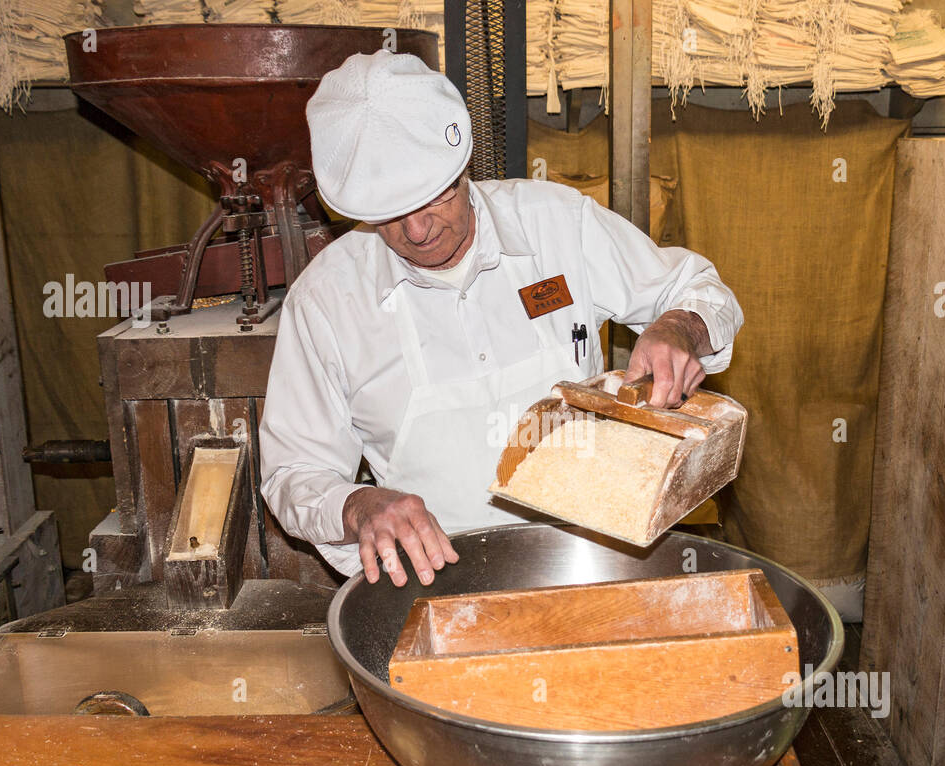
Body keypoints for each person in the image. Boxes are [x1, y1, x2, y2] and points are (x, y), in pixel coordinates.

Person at [260, 50, 743, 587]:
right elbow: (292, 473)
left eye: (432, 199)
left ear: (463, 166)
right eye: (389, 217)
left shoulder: (556, 225)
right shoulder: (327, 300)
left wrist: (681, 327)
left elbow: (700, 288)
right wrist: (359, 505)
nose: (418, 233)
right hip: (435, 583)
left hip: (597, 559)